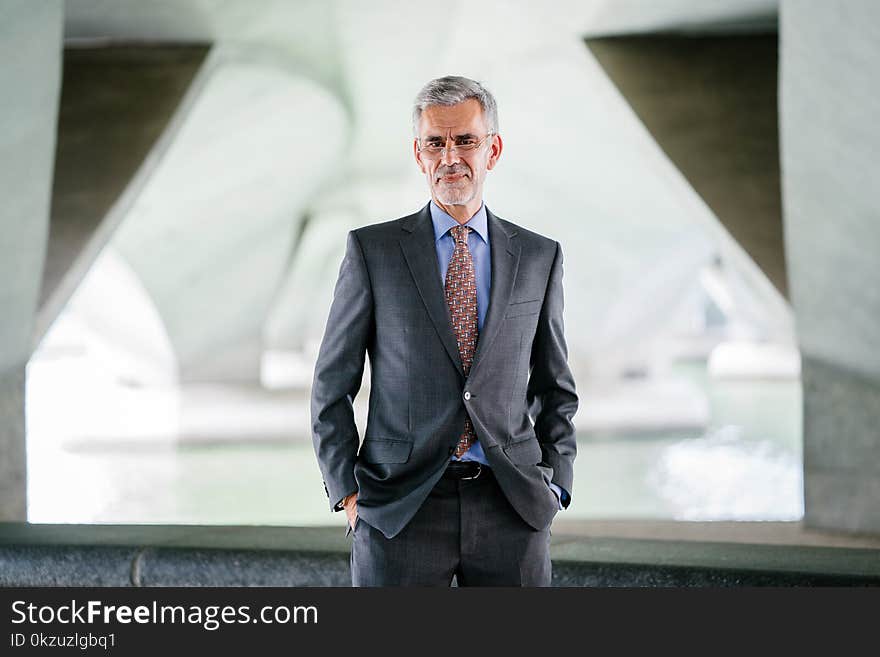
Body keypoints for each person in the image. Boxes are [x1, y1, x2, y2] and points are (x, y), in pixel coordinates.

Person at [311, 75, 578, 586]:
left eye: (466, 140)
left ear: (492, 149)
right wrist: (346, 491)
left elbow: (556, 387)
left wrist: (555, 483)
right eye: (436, 142)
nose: (450, 156)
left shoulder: (539, 257)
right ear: (419, 153)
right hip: (399, 510)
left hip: (512, 508)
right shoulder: (374, 252)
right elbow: (331, 385)